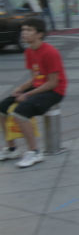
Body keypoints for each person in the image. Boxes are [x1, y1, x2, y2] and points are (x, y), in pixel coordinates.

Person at [0, 18, 67, 168]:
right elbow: (34, 78)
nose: (24, 33)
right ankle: (12, 149)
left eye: (29, 30)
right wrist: (21, 88)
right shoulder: (29, 51)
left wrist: (28, 95)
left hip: (54, 91)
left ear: (39, 34)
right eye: (23, 30)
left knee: (20, 112)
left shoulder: (50, 52)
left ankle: (35, 152)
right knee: (2, 107)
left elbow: (52, 82)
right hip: (39, 87)